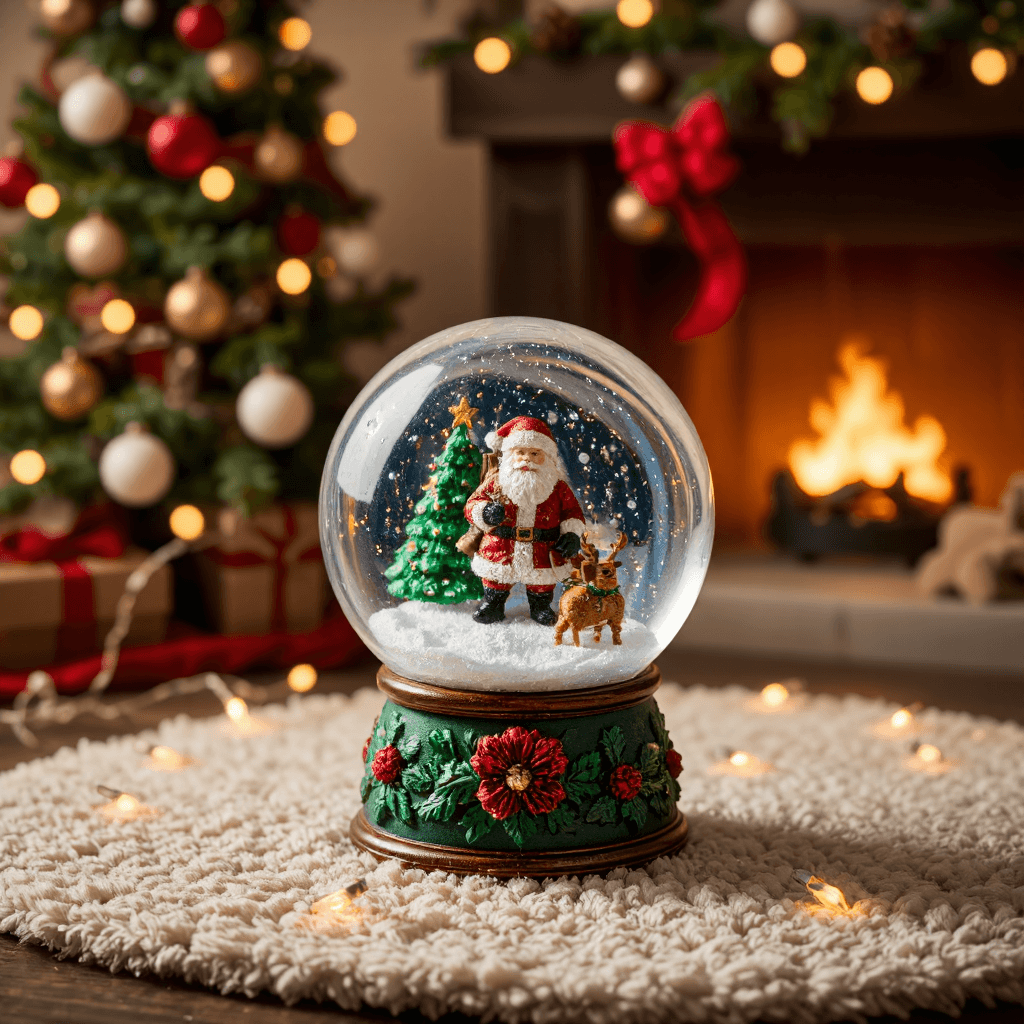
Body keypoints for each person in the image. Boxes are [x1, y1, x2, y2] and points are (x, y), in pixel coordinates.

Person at [464, 416, 584, 625]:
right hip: (501, 546)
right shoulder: (497, 481)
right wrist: (485, 512)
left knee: (541, 583)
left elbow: (572, 512)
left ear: (545, 456)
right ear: (511, 454)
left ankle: (541, 608)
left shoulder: (557, 487)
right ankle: (493, 605)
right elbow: (473, 502)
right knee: (496, 579)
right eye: (520, 452)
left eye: (534, 453)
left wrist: (572, 534)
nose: (526, 459)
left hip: (542, 548)